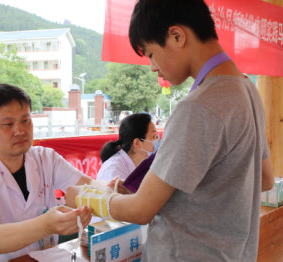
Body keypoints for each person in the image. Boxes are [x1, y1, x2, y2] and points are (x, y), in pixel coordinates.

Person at [66, 0, 275, 261]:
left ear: (176, 36)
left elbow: (142, 210)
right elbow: (265, 178)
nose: (152, 66)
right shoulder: (248, 90)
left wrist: (86, 196)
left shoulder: (199, 107)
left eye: (151, 53)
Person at [0, 84, 108, 262]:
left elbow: (88, 184)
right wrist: (46, 225)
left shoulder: (45, 158)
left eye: (25, 120)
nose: (20, 131)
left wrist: (114, 187)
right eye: (8, 124)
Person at [97, 113, 158, 182]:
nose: (157, 140)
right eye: (154, 136)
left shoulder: (146, 164)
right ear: (137, 143)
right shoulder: (113, 169)